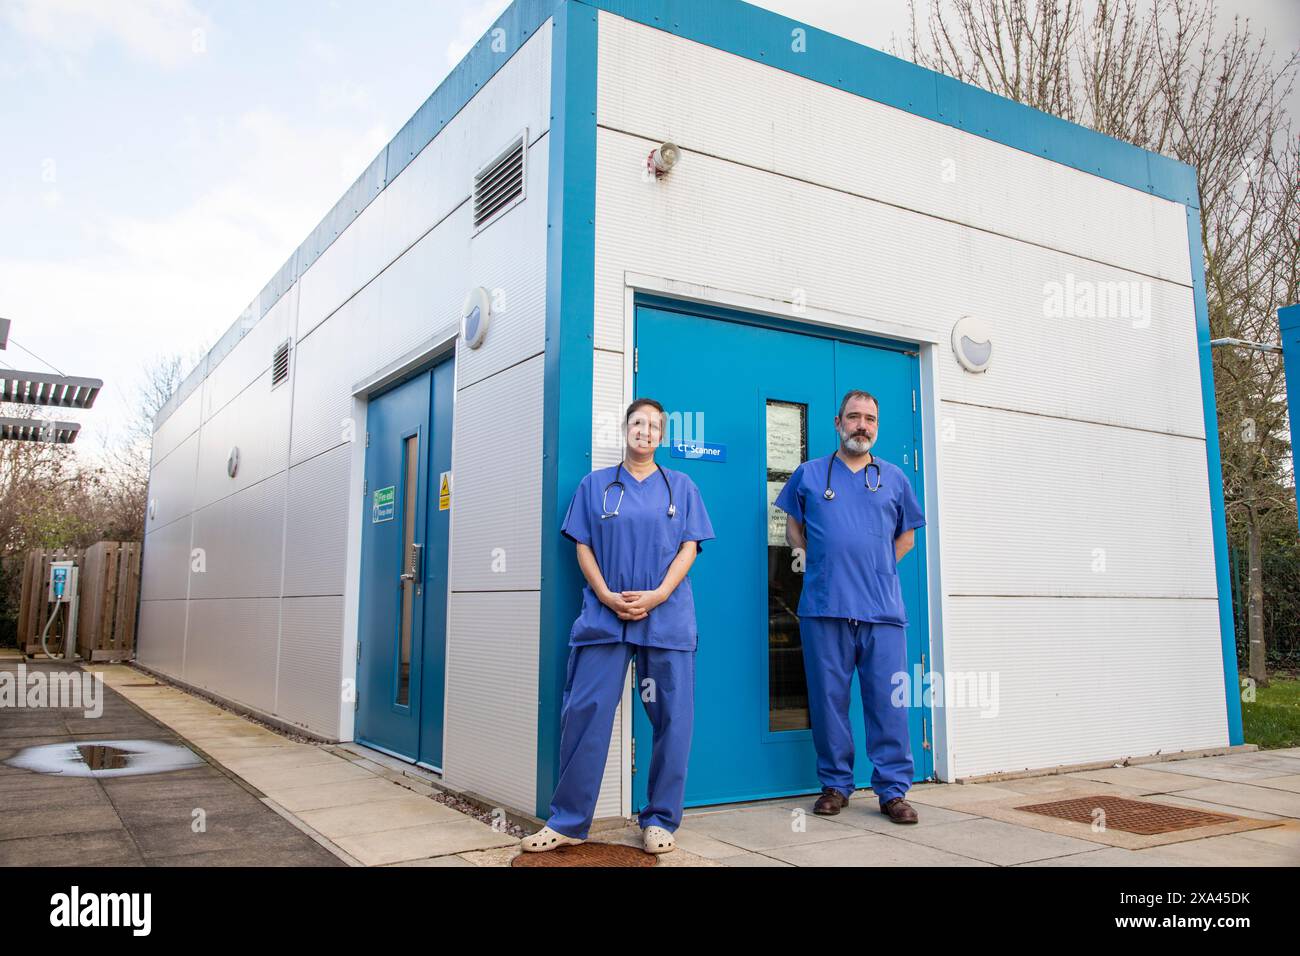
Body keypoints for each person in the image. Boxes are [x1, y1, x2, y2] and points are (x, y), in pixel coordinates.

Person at [522, 398, 715, 854]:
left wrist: (659, 595)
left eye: (653, 426)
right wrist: (607, 595)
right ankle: (568, 821)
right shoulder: (595, 485)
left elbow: (690, 547)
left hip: (665, 617)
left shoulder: (682, 486)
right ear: (625, 430)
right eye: (637, 423)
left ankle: (660, 820)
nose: (645, 431)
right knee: (585, 712)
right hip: (605, 616)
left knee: (673, 718)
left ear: (662, 436)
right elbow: (582, 546)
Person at [774, 389, 926, 823]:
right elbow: (793, 531)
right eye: (854, 417)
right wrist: (825, 564)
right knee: (828, 700)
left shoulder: (894, 477)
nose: (862, 425)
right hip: (824, 608)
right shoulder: (809, 475)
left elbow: (907, 537)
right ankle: (835, 785)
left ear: (876, 427)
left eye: (870, 419)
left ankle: (892, 791)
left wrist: (875, 567)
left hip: (881, 611)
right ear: (838, 423)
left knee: (888, 704)